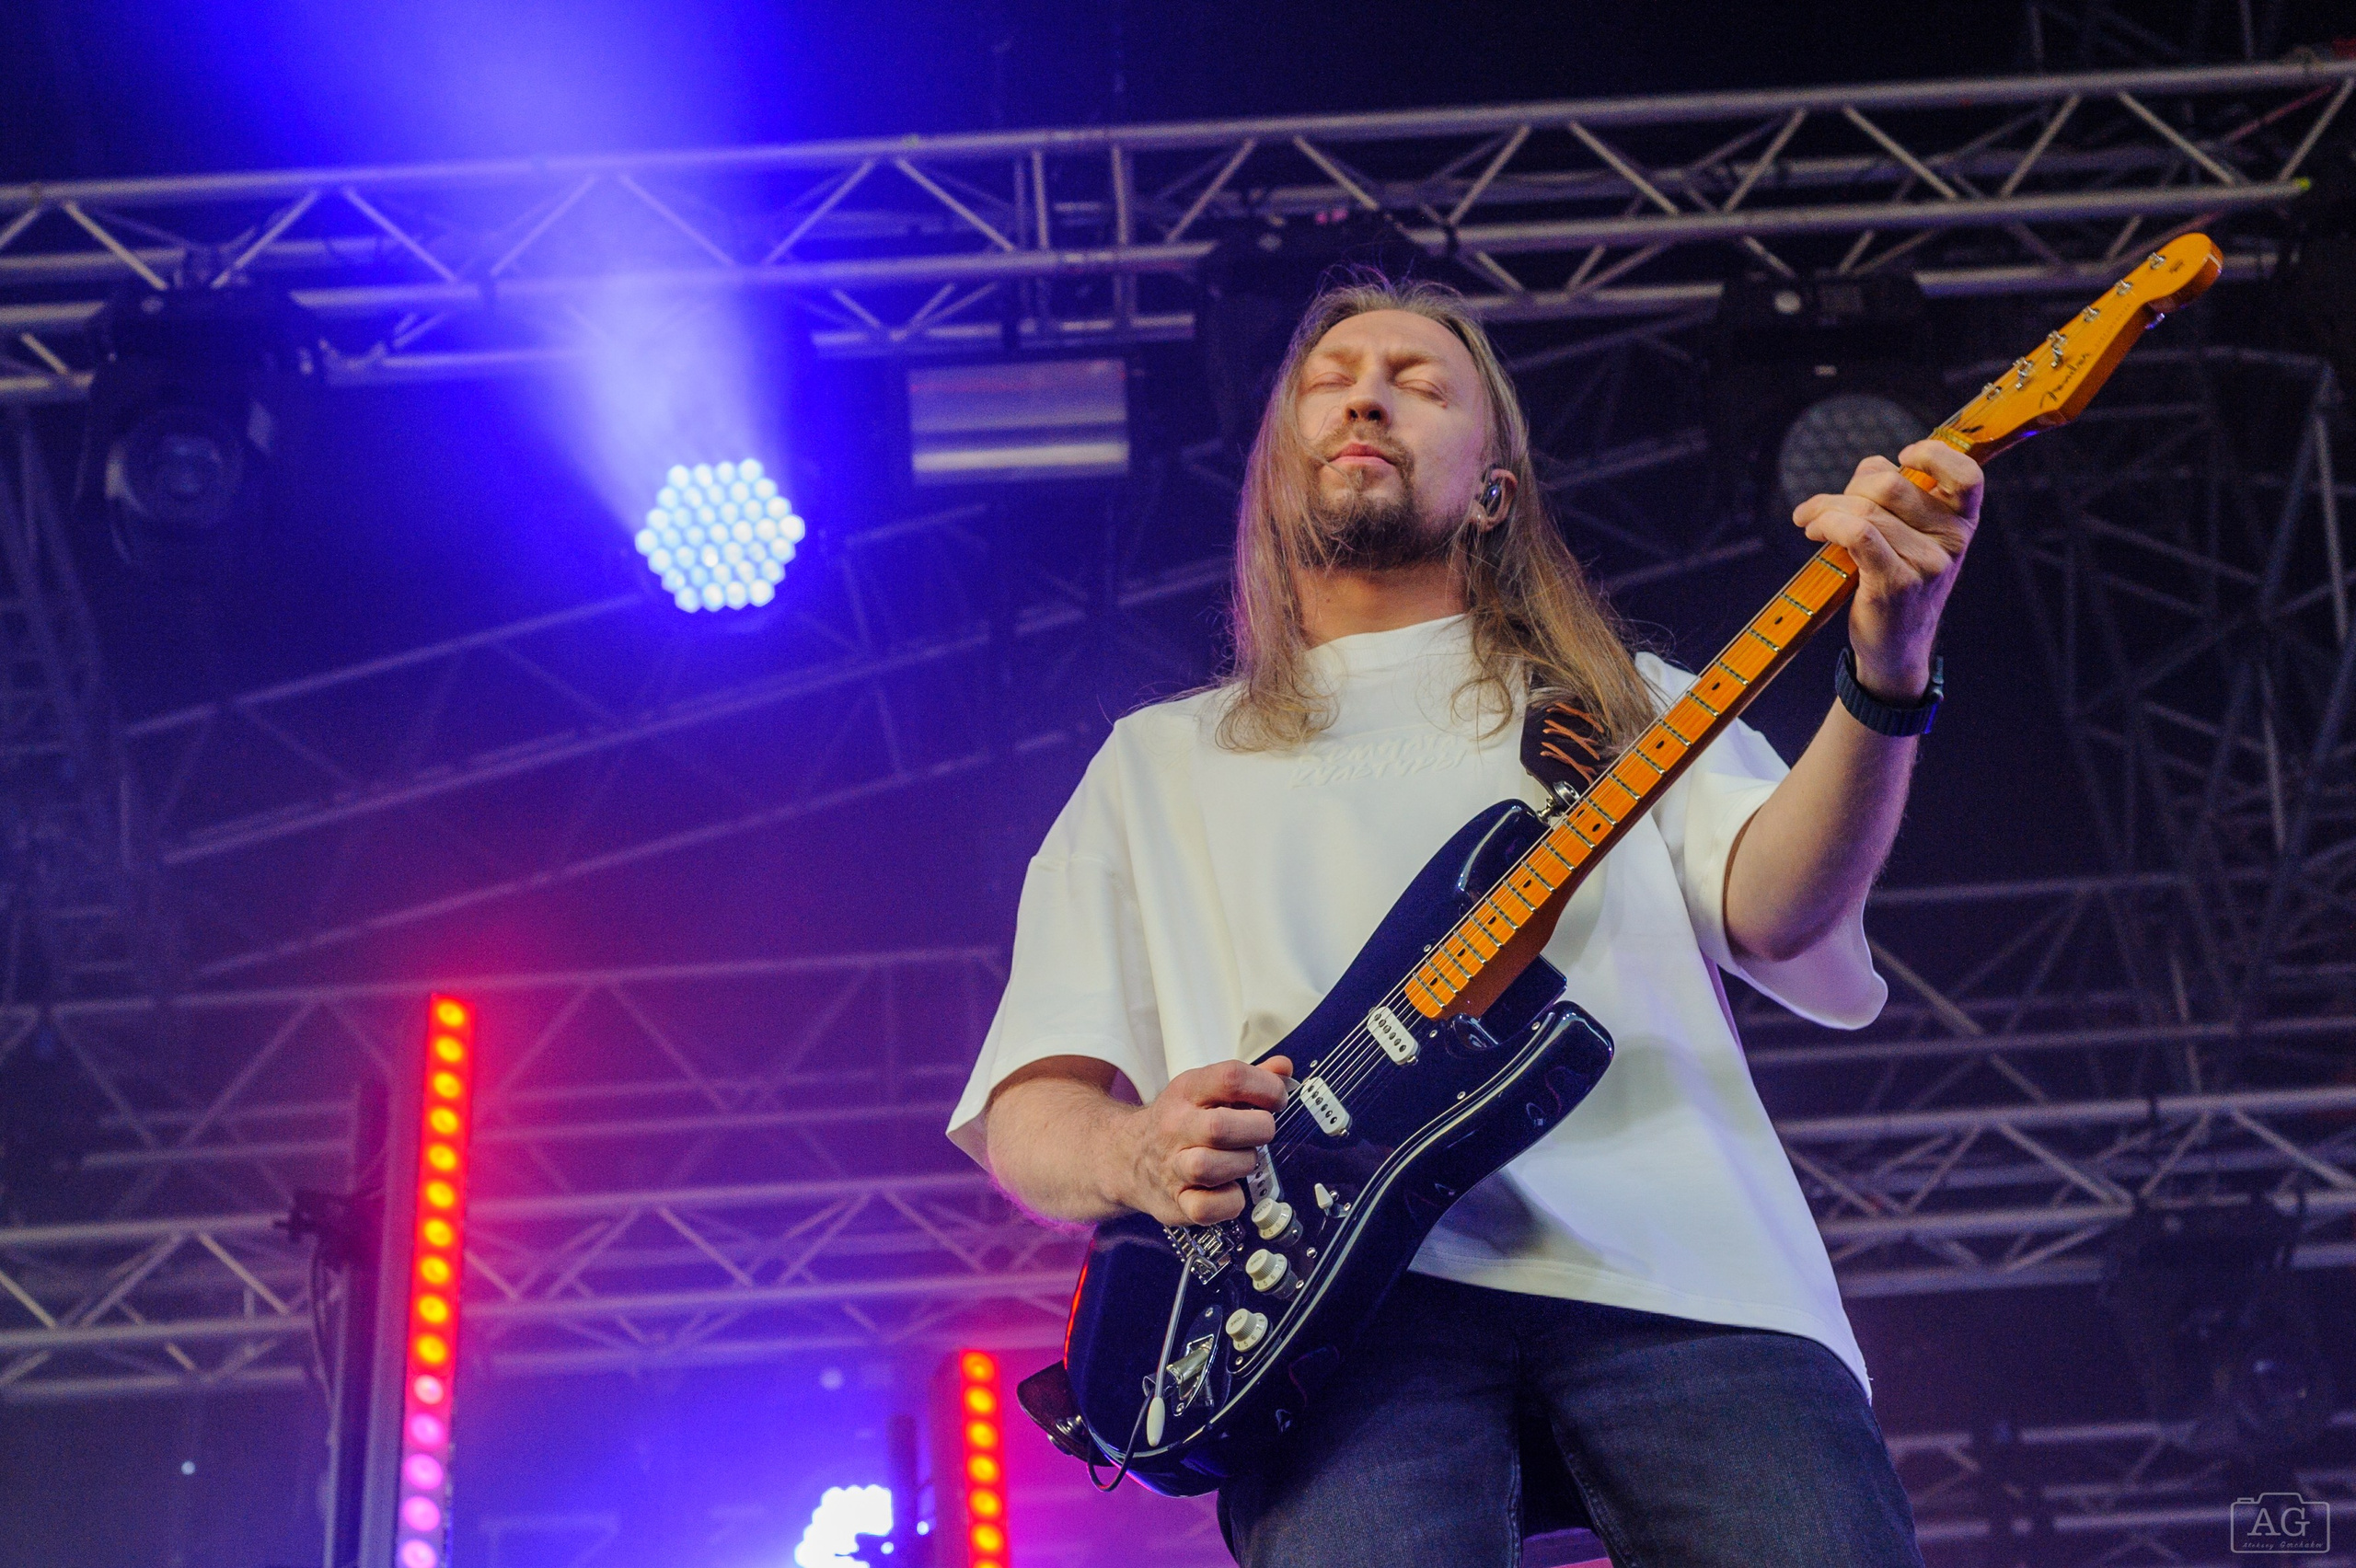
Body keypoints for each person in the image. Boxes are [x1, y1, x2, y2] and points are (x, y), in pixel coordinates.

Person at [946, 272, 1977, 1568]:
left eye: (1423, 382)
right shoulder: (1156, 763)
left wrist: (1889, 668)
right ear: (1275, 477)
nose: (1368, 392)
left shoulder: (1620, 702)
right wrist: (1141, 1153)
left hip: (1691, 1274)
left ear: (1494, 487)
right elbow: (1031, 1107)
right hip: (1326, 1318)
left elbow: (1776, 914)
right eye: (1330, 381)